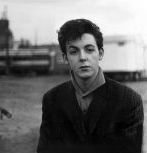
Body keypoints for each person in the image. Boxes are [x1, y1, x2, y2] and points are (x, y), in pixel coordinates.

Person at [37, 19, 144, 153]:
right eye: (74, 51)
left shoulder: (129, 101)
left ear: (100, 54)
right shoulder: (51, 100)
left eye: (89, 50)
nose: (82, 57)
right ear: (65, 58)